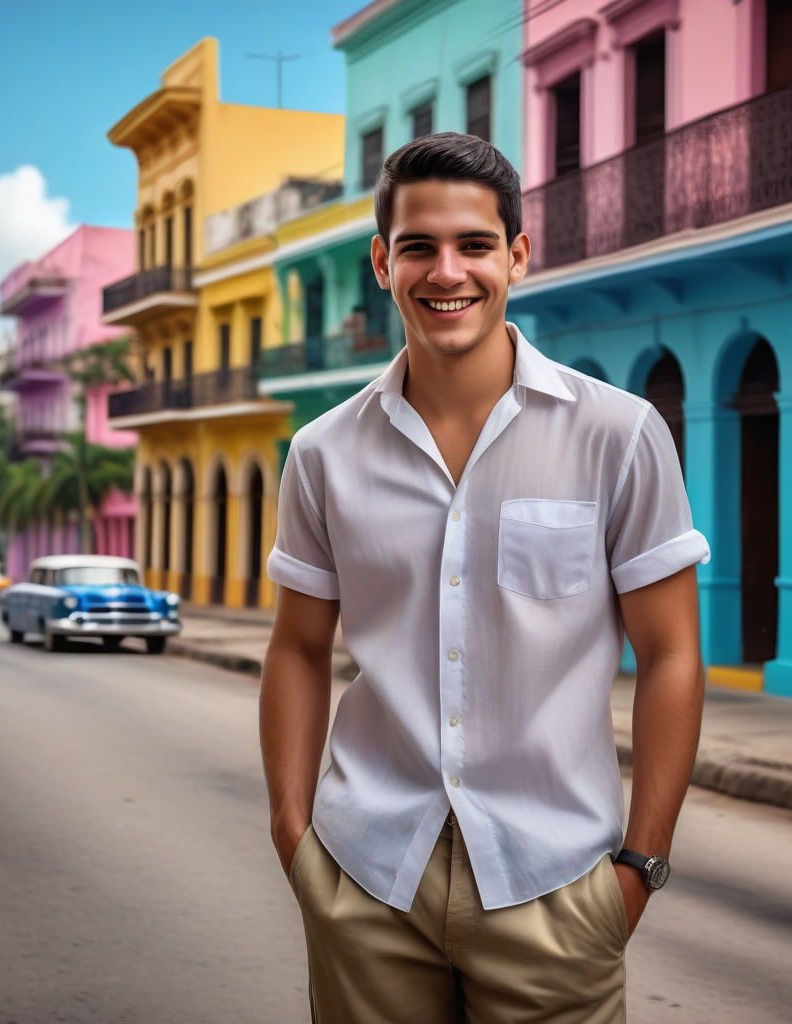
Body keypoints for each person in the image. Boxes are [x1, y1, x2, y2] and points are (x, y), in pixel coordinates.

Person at [260, 131, 710, 1023]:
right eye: (419, 247)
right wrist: (295, 839)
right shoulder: (323, 454)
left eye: (473, 245)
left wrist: (640, 867)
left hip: (556, 887)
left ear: (516, 256)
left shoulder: (617, 435)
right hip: (367, 877)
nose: (447, 272)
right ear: (383, 264)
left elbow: (672, 656)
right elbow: (298, 649)